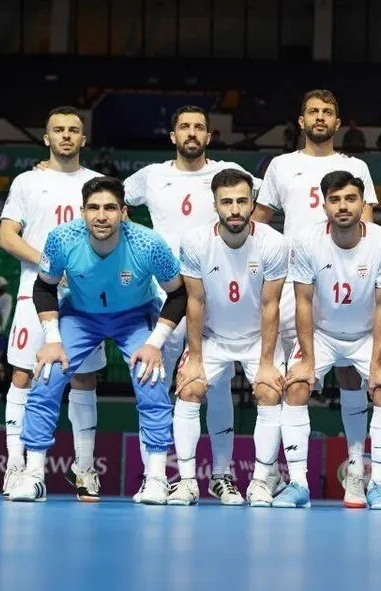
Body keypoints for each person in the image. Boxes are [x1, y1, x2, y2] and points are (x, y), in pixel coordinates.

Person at [8, 177, 185, 505]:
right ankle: (33, 475)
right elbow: (44, 286)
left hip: (134, 316)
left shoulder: (148, 243)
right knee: (47, 374)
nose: (101, 216)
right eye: (93, 208)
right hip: (80, 316)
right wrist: (52, 338)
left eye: (109, 208)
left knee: (151, 378)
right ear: (82, 211)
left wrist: (154, 342)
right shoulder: (62, 238)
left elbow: (179, 294)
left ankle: (157, 478)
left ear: (123, 212)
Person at [123, 104, 261, 505]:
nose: (192, 133)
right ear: (173, 136)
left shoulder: (227, 172)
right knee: (155, 384)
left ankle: (221, 475)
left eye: (199, 127)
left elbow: (265, 200)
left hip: (212, 295)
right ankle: (154, 475)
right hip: (163, 294)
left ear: (209, 136)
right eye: (184, 127)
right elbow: (115, 201)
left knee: (216, 385)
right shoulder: (151, 176)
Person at [251, 89, 381, 508]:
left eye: (327, 112)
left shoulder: (355, 167)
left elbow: (368, 227)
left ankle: (357, 476)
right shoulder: (281, 166)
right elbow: (259, 222)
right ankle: (276, 474)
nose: (320, 117)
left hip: (344, 284)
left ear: (337, 122)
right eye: (313, 111)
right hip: (295, 287)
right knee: (290, 380)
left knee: (350, 378)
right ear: (301, 120)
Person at [0, 106, 108, 502]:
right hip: (35, 291)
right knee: (23, 375)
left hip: (84, 298)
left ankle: (84, 468)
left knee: (84, 377)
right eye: (58, 129)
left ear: (83, 139)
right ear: (46, 138)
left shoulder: (96, 184)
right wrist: (48, 263)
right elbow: (7, 236)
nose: (66, 135)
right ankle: (17, 465)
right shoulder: (27, 181)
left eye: (73, 130)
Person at [278, 170, 381, 510]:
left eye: (350, 198)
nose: (343, 206)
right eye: (335, 200)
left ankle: (375, 484)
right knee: (296, 386)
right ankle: (298, 483)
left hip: (367, 335)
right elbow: (303, 301)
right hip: (322, 334)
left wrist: (376, 365)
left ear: (363, 204)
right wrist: (306, 359)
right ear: (324, 206)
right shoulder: (307, 240)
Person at [169, 169, 288, 506]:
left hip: (257, 339)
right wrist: (194, 359)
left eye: (241, 201)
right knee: (190, 388)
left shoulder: (274, 243)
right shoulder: (196, 241)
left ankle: (261, 482)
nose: (234, 209)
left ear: (252, 203)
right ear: (215, 205)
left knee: (268, 392)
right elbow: (195, 301)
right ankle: (189, 482)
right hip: (213, 337)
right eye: (226, 202)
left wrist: (267, 362)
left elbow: (271, 304)